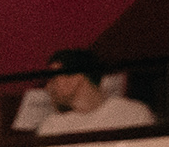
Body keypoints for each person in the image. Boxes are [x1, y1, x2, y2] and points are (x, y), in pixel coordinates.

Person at [17, 47, 157, 139]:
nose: (48, 87)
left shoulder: (131, 114)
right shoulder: (52, 126)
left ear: (76, 78)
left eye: (54, 78)